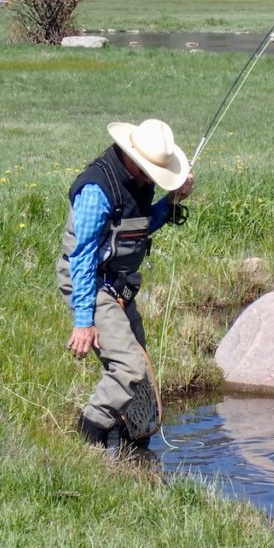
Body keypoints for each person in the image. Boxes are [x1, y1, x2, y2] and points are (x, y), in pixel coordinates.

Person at [56, 118, 195, 458]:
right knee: (129, 367)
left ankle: (135, 450)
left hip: (120, 287)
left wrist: (172, 201)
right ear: (134, 158)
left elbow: (139, 228)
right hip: (89, 283)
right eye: (152, 171)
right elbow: (83, 258)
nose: (154, 179)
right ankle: (89, 442)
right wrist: (84, 320)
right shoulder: (97, 190)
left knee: (141, 376)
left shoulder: (139, 180)